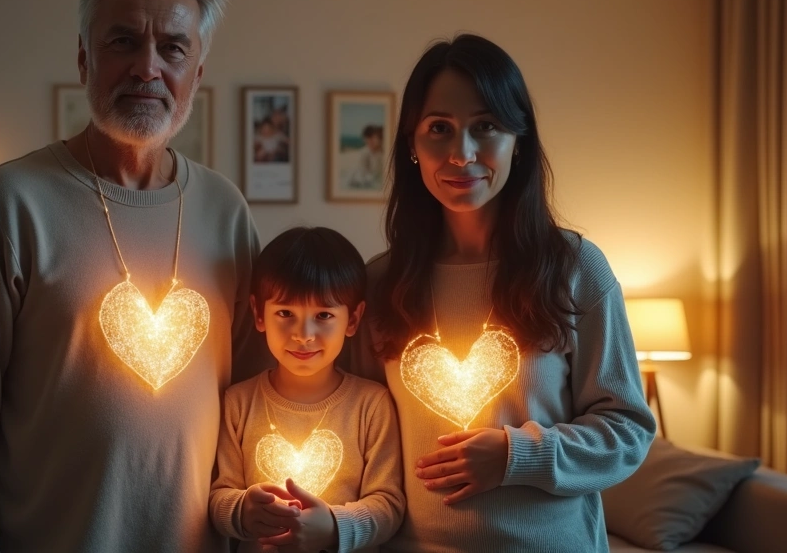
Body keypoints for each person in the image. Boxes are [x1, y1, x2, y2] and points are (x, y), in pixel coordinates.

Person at [0, 0, 269, 552]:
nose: (147, 69)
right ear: (84, 59)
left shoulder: (225, 209)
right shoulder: (5, 205)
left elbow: (257, 402)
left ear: (197, 75)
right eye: (123, 41)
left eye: (172, 49)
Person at [343, 34, 656, 551]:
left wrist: (515, 455)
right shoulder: (381, 283)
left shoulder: (574, 269)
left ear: (519, 141)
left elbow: (627, 430)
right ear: (412, 146)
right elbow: (357, 431)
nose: (462, 154)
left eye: (485, 126)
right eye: (439, 128)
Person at [209, 227, 405, 553]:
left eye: (323, 315)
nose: (303, 334)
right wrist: (242, 510)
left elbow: (388, 505)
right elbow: (219, 497)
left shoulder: (371, 404)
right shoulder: (238, 403)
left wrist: (333, 527)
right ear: (259, 314)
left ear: (352, 320)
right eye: (285, 313)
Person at [347, 125, 384, 189]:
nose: (370, 142)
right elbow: (363, 172)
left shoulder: (384, 151)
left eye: (372, 139)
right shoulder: (364, 153)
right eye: (368, 141)